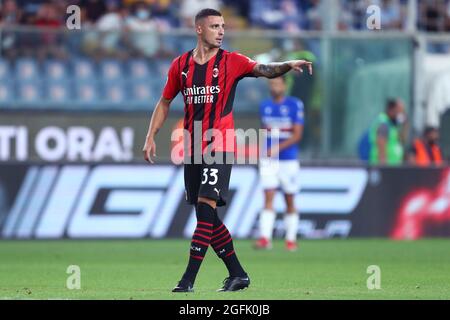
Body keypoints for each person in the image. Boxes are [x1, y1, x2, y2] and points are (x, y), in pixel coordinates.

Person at [142, 8, 312, 293]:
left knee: (206, 207)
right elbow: (164, 101)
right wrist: (150, 136)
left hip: (220, 145)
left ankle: (187, 280)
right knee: (206, 216)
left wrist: (288, 63)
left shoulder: (231, 61)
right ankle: (238, 274)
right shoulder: (180, 65)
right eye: (214, 26)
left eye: (223, 26)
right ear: (199, 29)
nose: (221, 31)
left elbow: (264, 69)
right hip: (193, 147)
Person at [254, 76, 304, 252]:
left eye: (277, 83)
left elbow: (297, 135)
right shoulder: (264, 106)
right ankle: (265, 238)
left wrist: (276, 148)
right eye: (272, 84)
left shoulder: (294, 105)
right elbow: (263, 131)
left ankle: (290, 240)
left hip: (288, 160)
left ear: (284, 85)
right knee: (268, 196)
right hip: (268, 160)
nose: (274, 87)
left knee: (289, 199)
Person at [368, 98, 408, 166]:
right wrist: (384, 168)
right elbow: (381, 148)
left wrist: (405, 126)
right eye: (400, 111)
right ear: (391, 110)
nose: (401, 114)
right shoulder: (384, 124)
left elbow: (402, 140)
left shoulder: (393, 125)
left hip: (393, 166)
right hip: (385, 167)